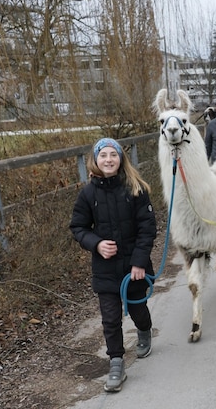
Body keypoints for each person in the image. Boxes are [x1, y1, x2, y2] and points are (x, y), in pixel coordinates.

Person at [69, 138, 158, 393]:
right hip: (105, 269)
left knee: (138, 308)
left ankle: (144, 330)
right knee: (110, 318)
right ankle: (116, 362)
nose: (108, 159)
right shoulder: (87, 194)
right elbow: (78, 227)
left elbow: (147, 228)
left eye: (113, 155)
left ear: (121, 159)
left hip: (134, 267)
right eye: (103, 155)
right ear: (95, 160)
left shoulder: (136, 189)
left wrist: (139, 262)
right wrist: (96, 244)